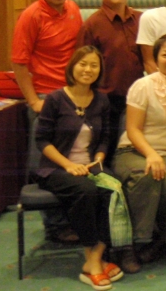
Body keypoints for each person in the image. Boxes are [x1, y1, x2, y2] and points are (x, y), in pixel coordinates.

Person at [35, 45, 125, 290]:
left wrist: (99, 158)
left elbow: (105, 138)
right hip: (56, 168)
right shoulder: (55, 99)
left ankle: (96, 258)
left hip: (90, 165)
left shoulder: (101, 100)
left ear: (99, 71)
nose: (88, 69)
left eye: (94, 65)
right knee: (86, 190)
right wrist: (69, 165)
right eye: (82, 64)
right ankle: (93, 262)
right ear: (72, 67)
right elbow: (42, 140)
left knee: (114, 189)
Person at [113, 33, 166, 274]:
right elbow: (132, 129)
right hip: (133, 149)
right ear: (156, 59)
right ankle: (131, 244)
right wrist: (151, 154)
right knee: (146, 176)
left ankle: (161, 239)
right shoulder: (143, 86)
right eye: (165, 55)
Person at [12, 0, 83, 243]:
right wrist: (33, 102)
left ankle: (68, 220)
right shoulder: (30, 16)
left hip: (72, 96)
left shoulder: (73, 9)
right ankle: (54, 226)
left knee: (70, 160)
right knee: (45, 164)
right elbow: (19, 63)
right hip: (45, 98)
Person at [77, 0, 144, 164]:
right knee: (106, 154)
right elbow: (81, 67)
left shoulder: (141, 19)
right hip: (105, 102)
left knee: (132, 154)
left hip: (138, 100)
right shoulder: (91, 25)